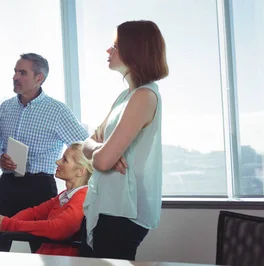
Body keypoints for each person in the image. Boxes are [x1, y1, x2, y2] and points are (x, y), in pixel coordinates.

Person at [80, 20, 169, 260]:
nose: (108, 51)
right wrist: (102, 149)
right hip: (110, 205)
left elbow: (101, 163)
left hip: (122, 212)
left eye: (115, 46)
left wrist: (102, 154)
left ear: (135, 50)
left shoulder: (143, 96)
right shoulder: (125, 97)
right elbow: (87, 144)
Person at [0, 53, 89, 253]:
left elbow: (83, 145)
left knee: (43, 249)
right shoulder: (6, 107)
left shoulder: (57, 111)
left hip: (39, 188)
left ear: (39, 78)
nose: (15, 77)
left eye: (22, 72)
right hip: (7, 184)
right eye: (15, 71)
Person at [0, 142, 93, 256]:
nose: (57, 162)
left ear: (80, 171)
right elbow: (35, 213)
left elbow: (58, 228)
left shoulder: (82, 196)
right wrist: (2, 223)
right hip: (49, 256)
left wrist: (8, 224)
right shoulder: (65, 195)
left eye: (65, 160)